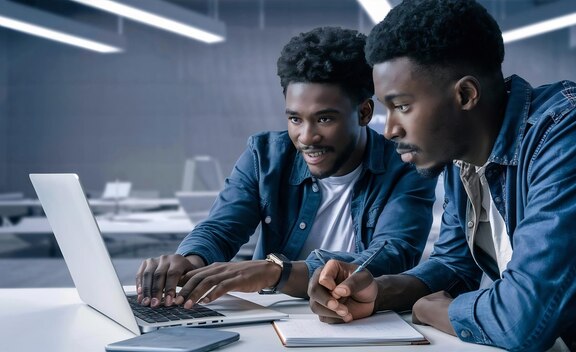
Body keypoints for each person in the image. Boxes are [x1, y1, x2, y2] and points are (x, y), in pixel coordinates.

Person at [307, 1, 576, 351]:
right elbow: (453, 264)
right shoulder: (463, 155)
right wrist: (378, 293)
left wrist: (434, 310)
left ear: (465, 94)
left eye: (401, 106)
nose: (390, 130)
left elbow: (522, 319)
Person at [136, 27, 437, 310]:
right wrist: (191, 261)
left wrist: (276, 272)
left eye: (324, 119)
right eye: (295, 119)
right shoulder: (265, 156)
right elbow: (221, 228)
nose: (306, 137)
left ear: (364, 112)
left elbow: (393, 254)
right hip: (275, 319)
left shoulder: (405, 165)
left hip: (362, 319)